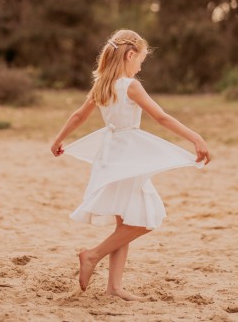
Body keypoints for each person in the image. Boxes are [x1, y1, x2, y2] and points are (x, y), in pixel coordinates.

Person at [51, 29, 210, 301]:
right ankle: (92, 255)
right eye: (141, 60)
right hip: (127, 153)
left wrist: (58, 139)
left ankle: (114, 287)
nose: (141, 66)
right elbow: (161, 117)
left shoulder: (102, 83)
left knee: (125, 220)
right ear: (130, 54)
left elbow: (79, 115)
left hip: (112, 154)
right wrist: (195, 137)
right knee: (145, 219)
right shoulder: (129, 86)